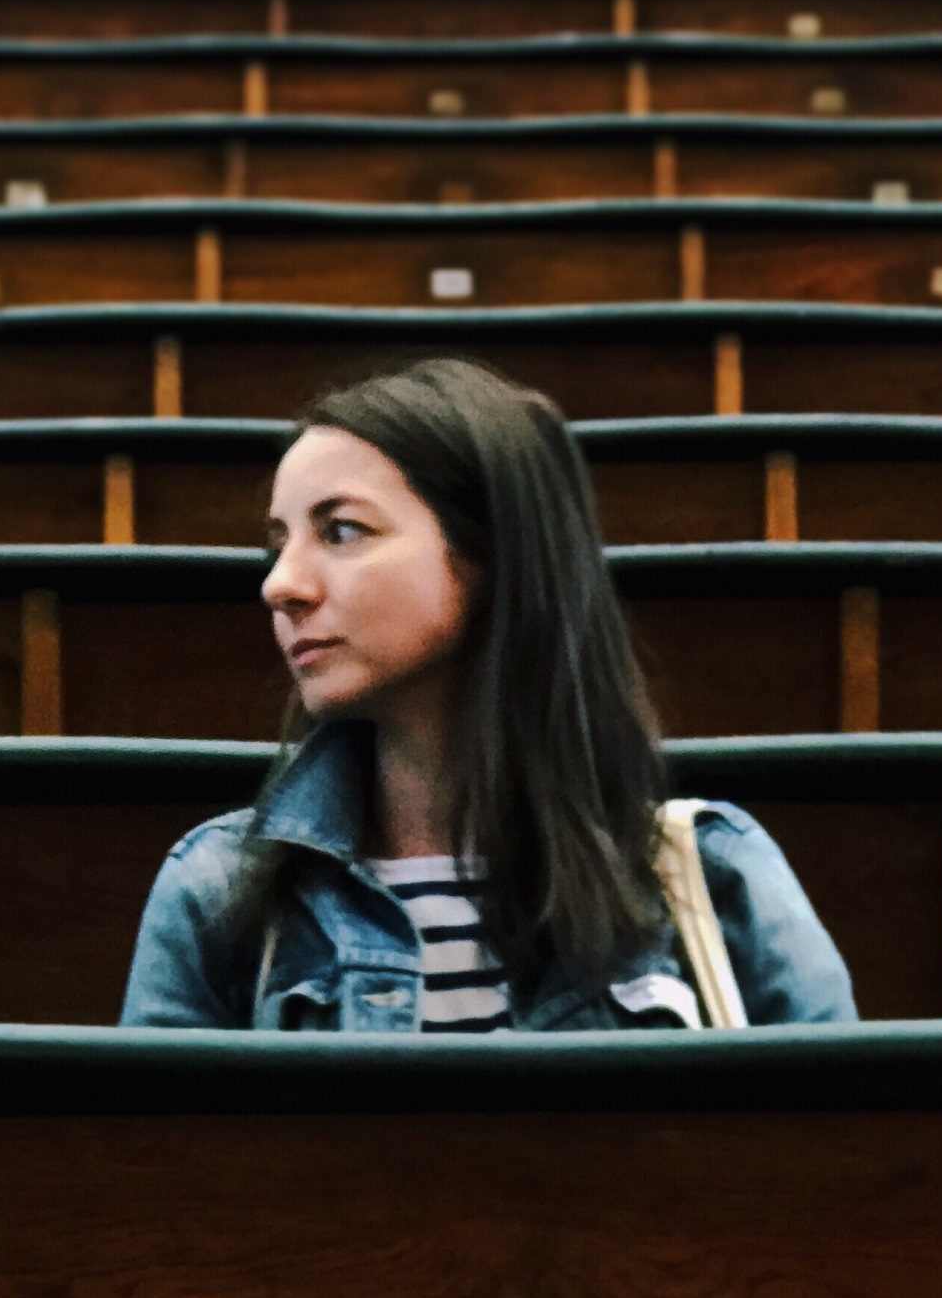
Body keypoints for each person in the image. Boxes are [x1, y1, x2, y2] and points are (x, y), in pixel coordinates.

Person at [121, 357, 856, 1032]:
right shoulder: (216, 891)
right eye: (279, 542)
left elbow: (843, 1162)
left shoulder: (716, 879)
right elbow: (156, 1173)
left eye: (342, 530)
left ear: (497, 557)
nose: (280, 585)